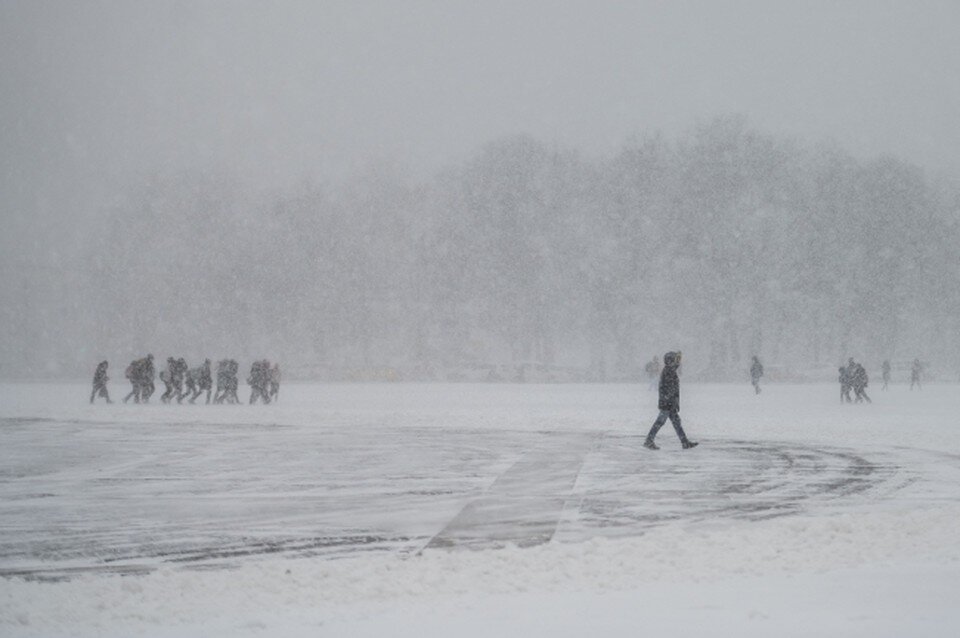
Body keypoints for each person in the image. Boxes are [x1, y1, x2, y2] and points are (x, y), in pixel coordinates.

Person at [644, 351, 697, 450]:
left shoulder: (669, 370)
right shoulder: (668, 371)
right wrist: (671, 402)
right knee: (660, 422)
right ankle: (649, 441)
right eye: (674, 360)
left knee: (677, 423)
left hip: (670, 403)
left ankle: (685, 442)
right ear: (670, 361)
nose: (675, 362)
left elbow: (674, 368)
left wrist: (678, 360)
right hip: (667, 403)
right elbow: (668, 389)